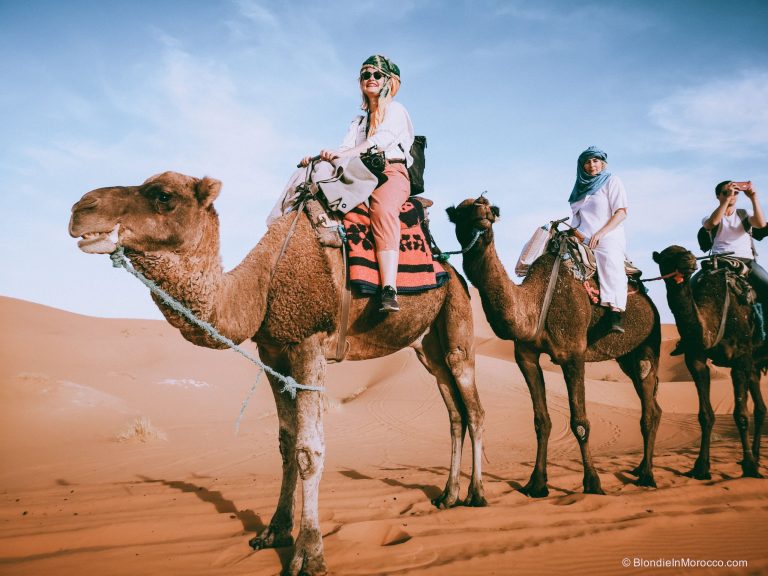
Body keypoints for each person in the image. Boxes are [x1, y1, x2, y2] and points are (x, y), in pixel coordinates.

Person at [299, 55, 414, 313]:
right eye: (365, 75)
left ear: (389, 82)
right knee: (318, 194)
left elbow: (381, 141)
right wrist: (319, 158)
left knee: (382, 210)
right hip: (360, 172)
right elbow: (344, 149)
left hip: (391, 172)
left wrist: (346, 154)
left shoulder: (397, 111)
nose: (370, 79)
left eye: (377, 75)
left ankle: (389, 288)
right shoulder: (358, 122)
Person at [671, 180, 768, 355]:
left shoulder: (745, 213)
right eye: (726, 192)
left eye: (735, 192)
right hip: (717, 261)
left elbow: (761, 225)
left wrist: (754, 197)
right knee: (688, 293)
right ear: (718, 196)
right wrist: (725, 202)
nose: (732, 195)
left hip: (746, 261)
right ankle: (686, 339)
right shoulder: (712, 216)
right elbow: (710, 224)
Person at [568, 146, 629, 333]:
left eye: (595, 160)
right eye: (587, 161)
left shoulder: (612, 181)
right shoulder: (578, 190)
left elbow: (621, 212)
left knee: (610, 259)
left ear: (602, 163)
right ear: (582, 166)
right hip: (582, 237)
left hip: (608, 235)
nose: (591, 164)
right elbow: (577, 221)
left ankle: (615, 311)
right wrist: (572, 233)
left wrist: (600, 234)